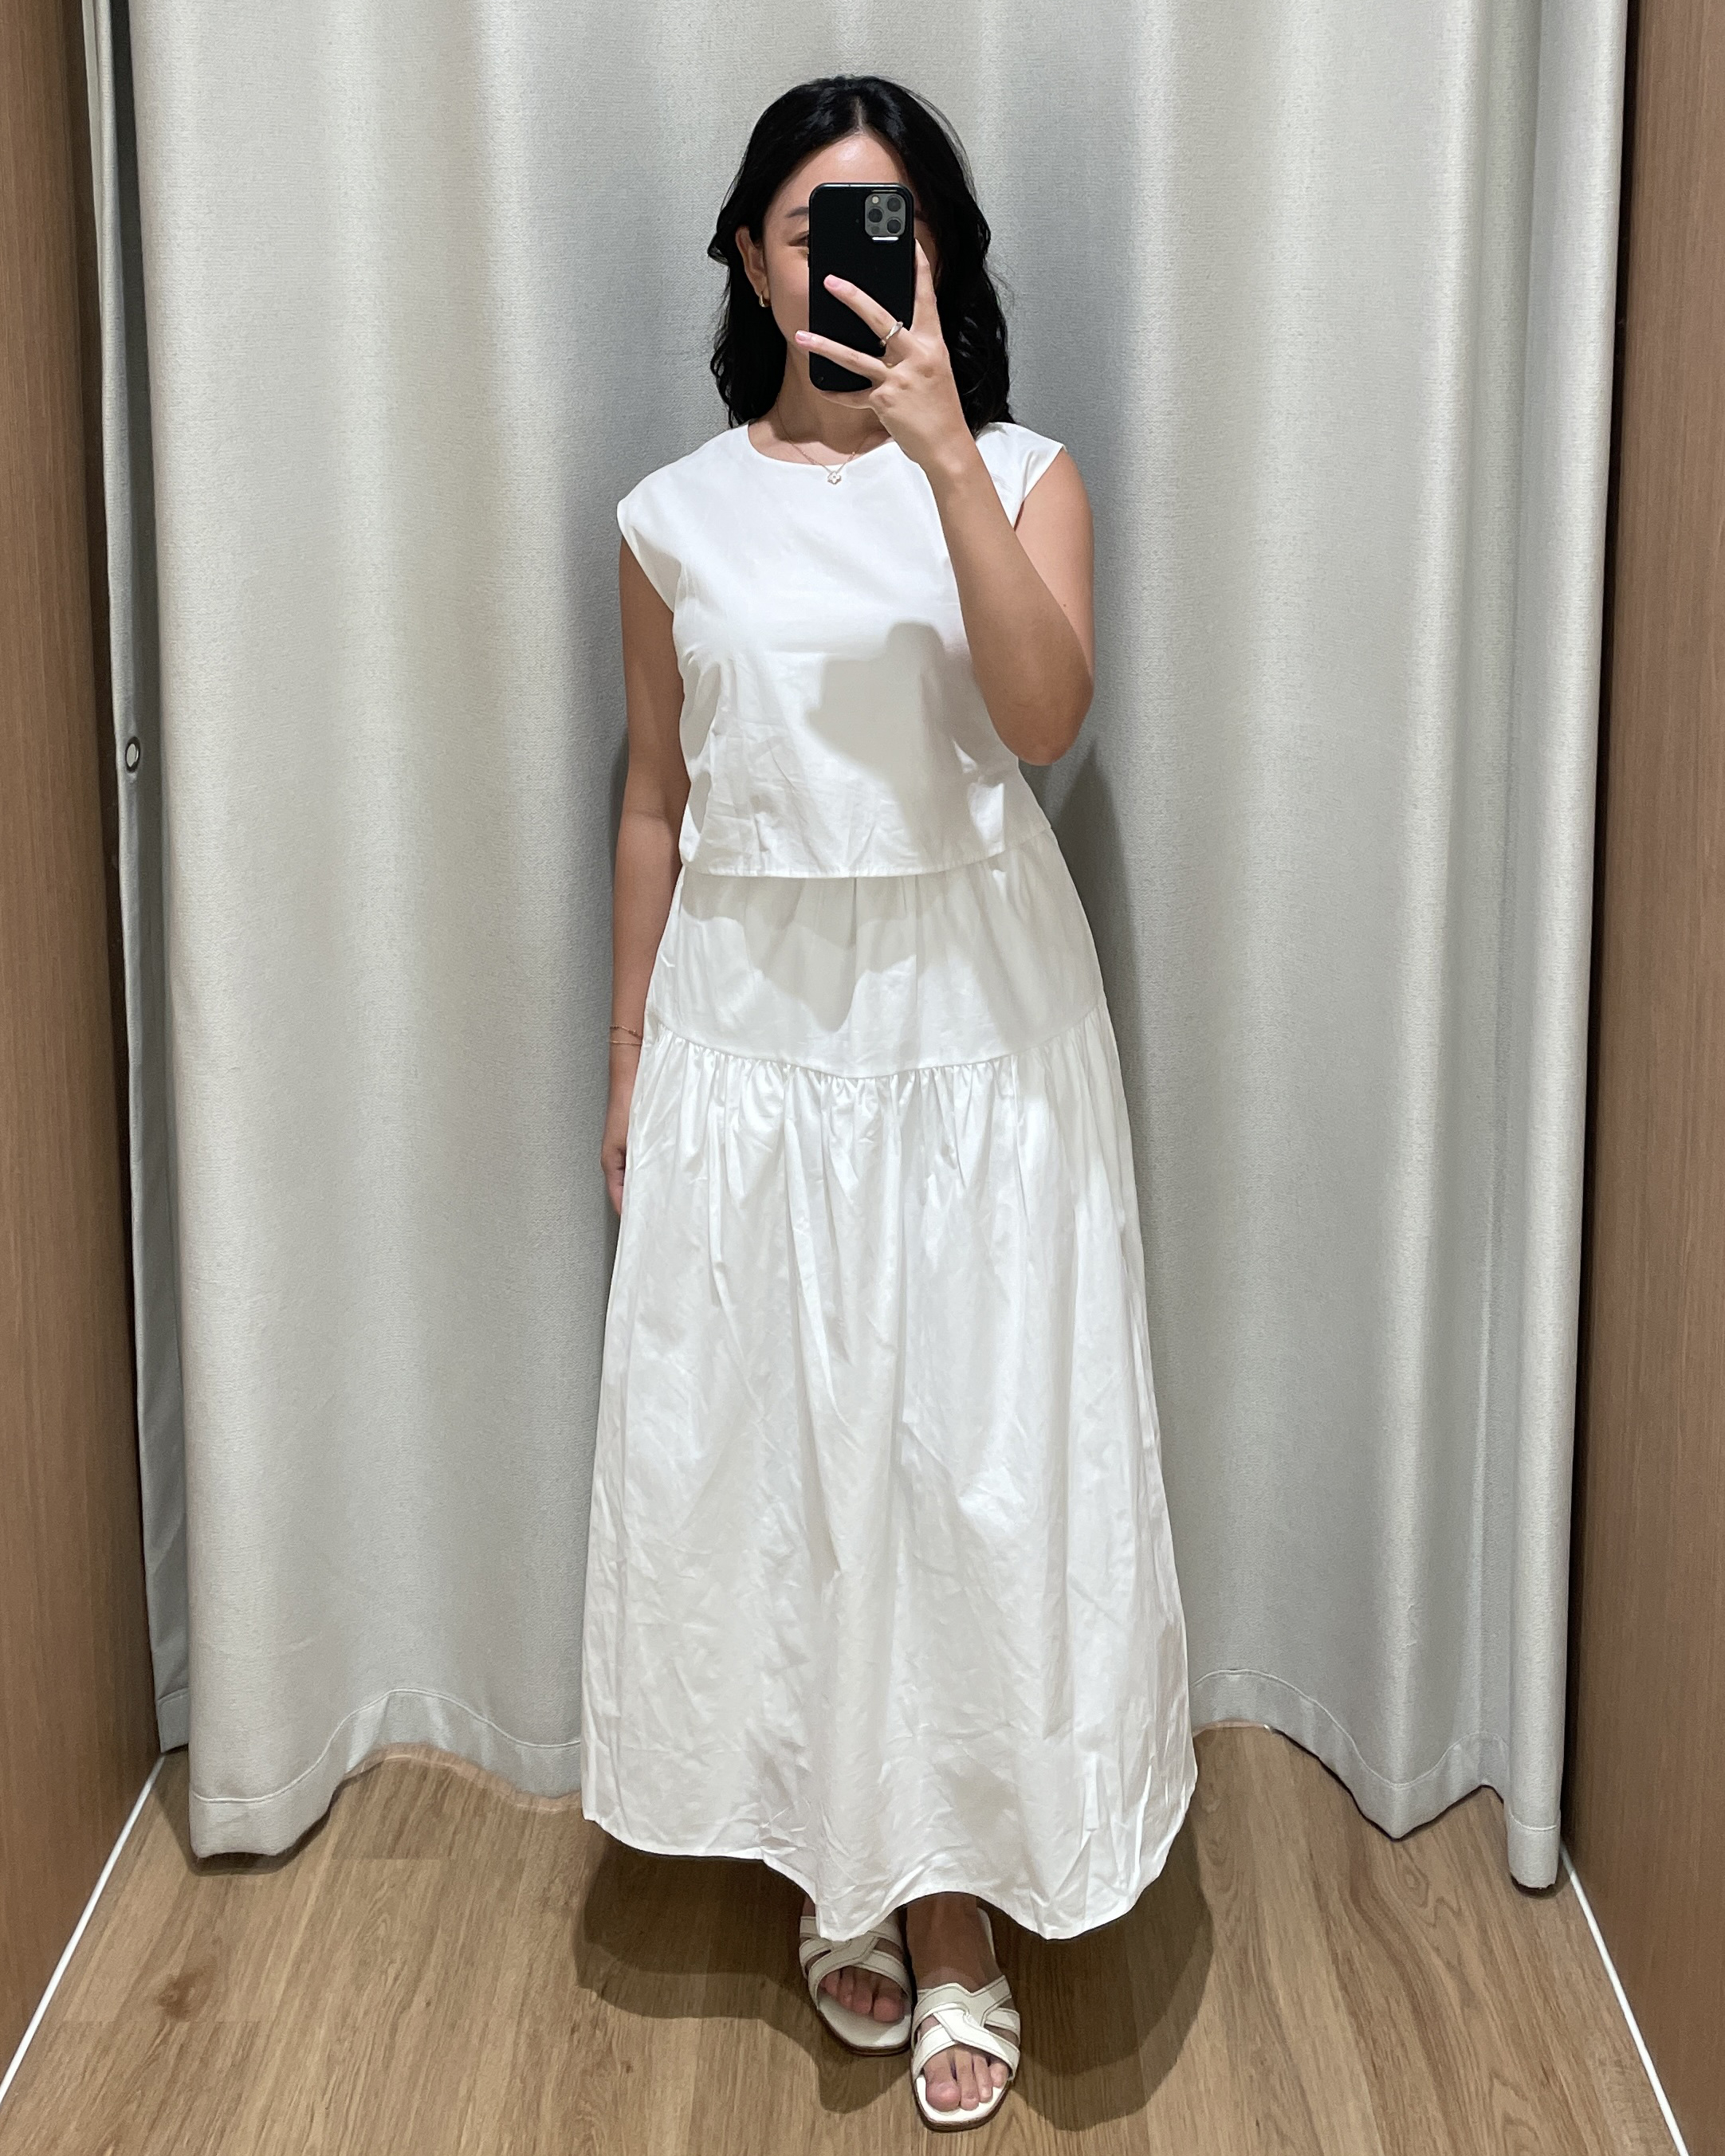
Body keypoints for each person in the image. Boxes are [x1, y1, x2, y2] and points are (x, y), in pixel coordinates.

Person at [580, 73, 1196, 2131]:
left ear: (939, 255)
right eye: (815, 225)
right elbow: (655, 797)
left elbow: (1042, 717)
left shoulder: (1022, 472)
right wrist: (628, 1058)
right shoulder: (669, 516)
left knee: (967, 1454)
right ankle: (839, 1860)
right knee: (790, 1449)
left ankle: (956, 1917)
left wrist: (938, 453)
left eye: (896, 223)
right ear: (750, 260)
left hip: (976, 1027)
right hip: (755, 1030)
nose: (856, 259)